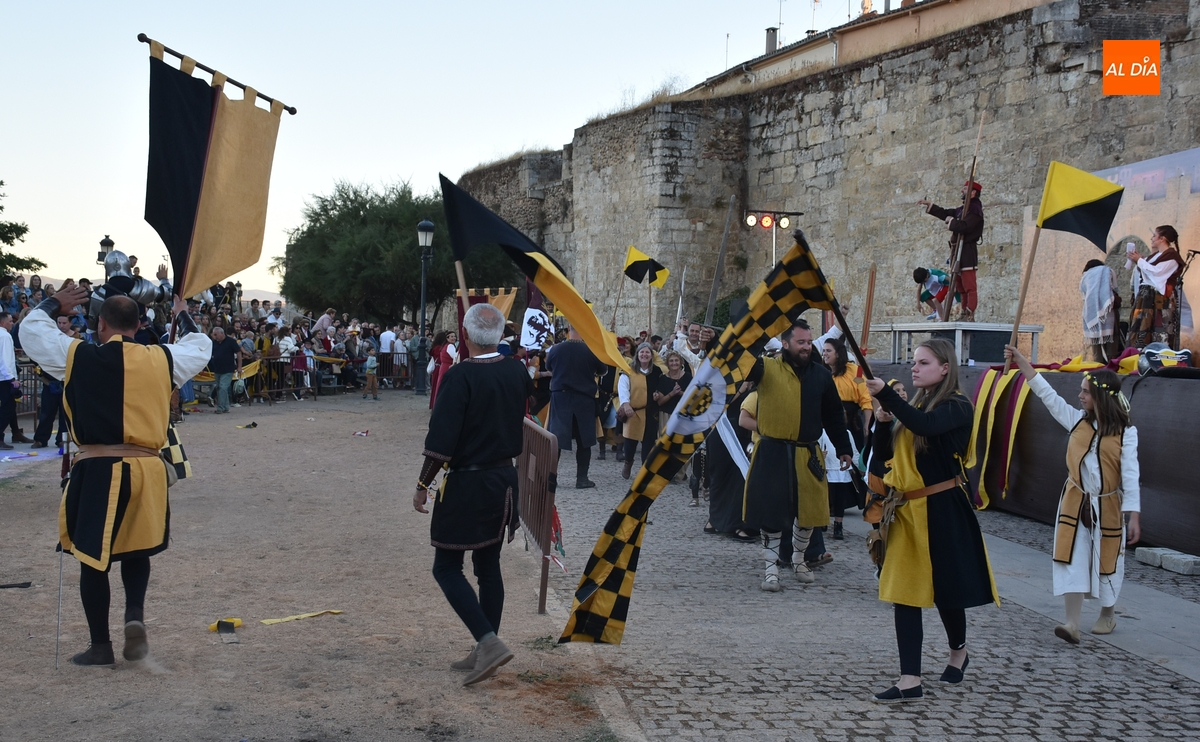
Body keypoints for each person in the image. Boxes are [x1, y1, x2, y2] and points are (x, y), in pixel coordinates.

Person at [22, 285, 211, 666]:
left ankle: (100, 646)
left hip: (98, 467)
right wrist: (181, 313)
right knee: (137, 548)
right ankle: (134, 614)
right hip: (147, 468)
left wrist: (55, 303)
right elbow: (200, 344)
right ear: (139, 326)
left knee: (93, 557)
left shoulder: (76, 354)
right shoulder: (163, 358)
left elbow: (31, 329)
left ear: (101, 325)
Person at [864, 338, 998, 703]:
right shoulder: (915, 406)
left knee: (946, 589)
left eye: (924, 362)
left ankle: (958, 651)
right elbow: (883, 458)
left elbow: (925, 426)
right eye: (914, 361)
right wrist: (882, 422)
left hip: (943, 507)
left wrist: (887, 396)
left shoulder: (957, 406)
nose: (915, 367)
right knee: (904, 591)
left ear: (944, 368)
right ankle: (910, 679)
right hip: (907, 511)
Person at [412, 303, 531, 686]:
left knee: (446, 567)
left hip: (469, 483)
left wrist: (422, 485)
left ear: (464, 335)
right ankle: (485, 648)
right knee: (487, 566)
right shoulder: (516, 370)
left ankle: (488, 643)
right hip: (503, 479)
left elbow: (441, 440)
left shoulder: (460, 376)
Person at [1004, 344, 1140, 642]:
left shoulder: (1125, 433)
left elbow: (1131, 475)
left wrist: (1134, 515)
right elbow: (1046, 394)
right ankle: (1072, 623)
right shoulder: (1076, 420)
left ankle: (1107, 613)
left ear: (1101, 397)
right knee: (1072, 557)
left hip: (1107, 504)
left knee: (1108, 559)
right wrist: (1022, 361)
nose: (1080, 395)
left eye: (1085, 392)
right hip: (1074, 501)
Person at [741, 318, 852, 592]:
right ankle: (770, 568)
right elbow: (741, 362)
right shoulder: (766, 368)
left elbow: (833, 415)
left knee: (808, 513)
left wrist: (844, 448)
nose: (806, 347)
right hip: (772, 452)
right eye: (800, 342)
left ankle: (799, 560)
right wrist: (752, 330)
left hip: (807, 453)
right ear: (785, 343)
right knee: (772, 512)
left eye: (808, 342)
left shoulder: (822, 376)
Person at [821, 336, 872, 540]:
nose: (824, 354)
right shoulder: (821, 372)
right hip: (826, 422)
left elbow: (865, 397)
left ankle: (845, 508)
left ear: (838, 353)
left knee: (850, 467)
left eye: (828, 351)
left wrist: (867, 422)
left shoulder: (856, 371)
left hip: (850, 422)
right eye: (823, 351)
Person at [545, 325, 606, 488]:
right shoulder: (591, 350)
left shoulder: (556, 349)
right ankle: (582, 479)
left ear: (568, 329)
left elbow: (549, 367)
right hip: (584, 399)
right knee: (584, 440)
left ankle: (551, 479)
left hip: (561, 398)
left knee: (556, 440)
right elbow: (602, 370)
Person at [918, 181, 984, 321]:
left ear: (973, 193)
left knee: (969, 286)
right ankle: (964, 313)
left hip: (967, 252)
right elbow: (947, 213)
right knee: (960, 286)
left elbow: (965, 227)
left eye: (965, 189)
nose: (962, 190)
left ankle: (969, 314)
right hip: (957, 252)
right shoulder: (963, 209)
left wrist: (952, 221)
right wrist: (931, 206)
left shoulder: (975, 210)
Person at [1128, 225, 1190, 350]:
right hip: (1145, 296)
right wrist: (1139, 261)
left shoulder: (1172, 257)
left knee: (1158, 330)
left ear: (1162, 238)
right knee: (1140, 328)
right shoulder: (1155, 256)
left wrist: (1140, 261)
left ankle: (1157, 355)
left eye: (1154, 236)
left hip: (1158, 298)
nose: (1152, 238)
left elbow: (1157, 273)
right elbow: (1147, 273)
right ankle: (1139, 353)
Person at [617, 343, 663, 478]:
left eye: (647, 352)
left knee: (649, 442)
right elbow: (623, 387)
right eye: (642, 352)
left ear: (652, 355)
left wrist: (658, 394)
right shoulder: (629, 370)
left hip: (650, 411)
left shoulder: (657, 371)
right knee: (630, 442)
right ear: (637, 354)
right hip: (633, 411)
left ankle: (645, 470)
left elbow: (660, 386)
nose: (644, 355)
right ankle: (628, 462)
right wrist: (626, 404)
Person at [32, 314, 75, 448]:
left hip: (67, 381)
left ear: (70, 323)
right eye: (59, 322)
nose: (61, 326)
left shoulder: (77, 339)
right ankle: (40, 439)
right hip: (50, 381)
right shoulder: (50, 338)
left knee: (65, 413)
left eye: (64, 323)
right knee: (46, 413)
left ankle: (62, 439)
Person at [1080, 259, 1123, 362]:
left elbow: (1084, 296)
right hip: (1108, 309)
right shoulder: (1108, 271)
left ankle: (1098, 363)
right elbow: (1115, 288)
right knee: (1112, 337)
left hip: (1091, 312)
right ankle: (1112, 362)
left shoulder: (1085, 277)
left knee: (1096, 343)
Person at [207, 326, 240, 413]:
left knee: (223, 387)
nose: (214, 337)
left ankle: (220, 408)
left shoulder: (231, 341)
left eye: (216, 334)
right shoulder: (214, 343)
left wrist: (239, 366)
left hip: (228, 369)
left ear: (222, 333)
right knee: (219, 388)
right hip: (217, 369)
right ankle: (226, 407)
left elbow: (238, 352)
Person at [0, 312, 19, 448]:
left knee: (9, 407)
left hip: (2, 376)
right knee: (8, 408)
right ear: (2, 322)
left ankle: (16, 432)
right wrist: (11, 378)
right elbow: (5, 359)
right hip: (4, 378)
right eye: (10, 321)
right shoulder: (5, 336)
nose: (12, 323)